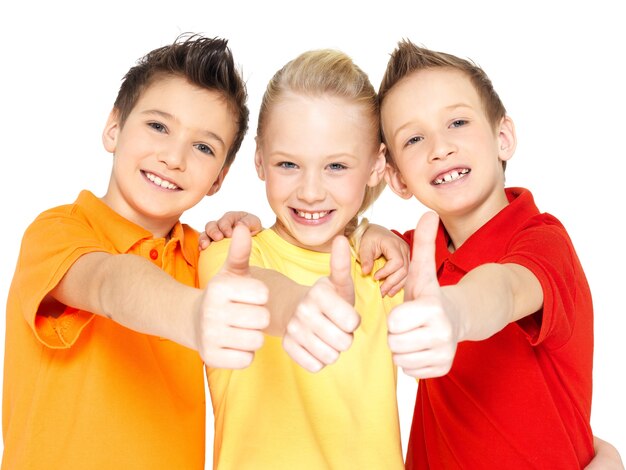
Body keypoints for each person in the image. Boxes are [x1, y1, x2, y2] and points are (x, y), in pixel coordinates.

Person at [1, 34, 272, 469]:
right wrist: (195, 315)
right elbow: (108, 283)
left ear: (218, 179)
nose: (174, 157)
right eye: (158, 126)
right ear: (114, 128)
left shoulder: (205, 256)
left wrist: (262, 244)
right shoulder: (57, 231)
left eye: (203, 147)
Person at [377, 39, 594, 468]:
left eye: (457, 122)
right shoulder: (412, 252)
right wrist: (366, 231)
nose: (439, 147)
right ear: (397, 179)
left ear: (502, 137)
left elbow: (506, 289)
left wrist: (453, 311)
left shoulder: (542, 240)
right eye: (415, 138)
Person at [198, 49, 406, 469]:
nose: (310, 191)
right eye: (289, 164)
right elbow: (250, 293)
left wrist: (369, 232)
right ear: (260, 159)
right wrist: (298, 306)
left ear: (376, 166)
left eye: (336, 166)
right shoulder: (229, 253)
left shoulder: (385, 268)